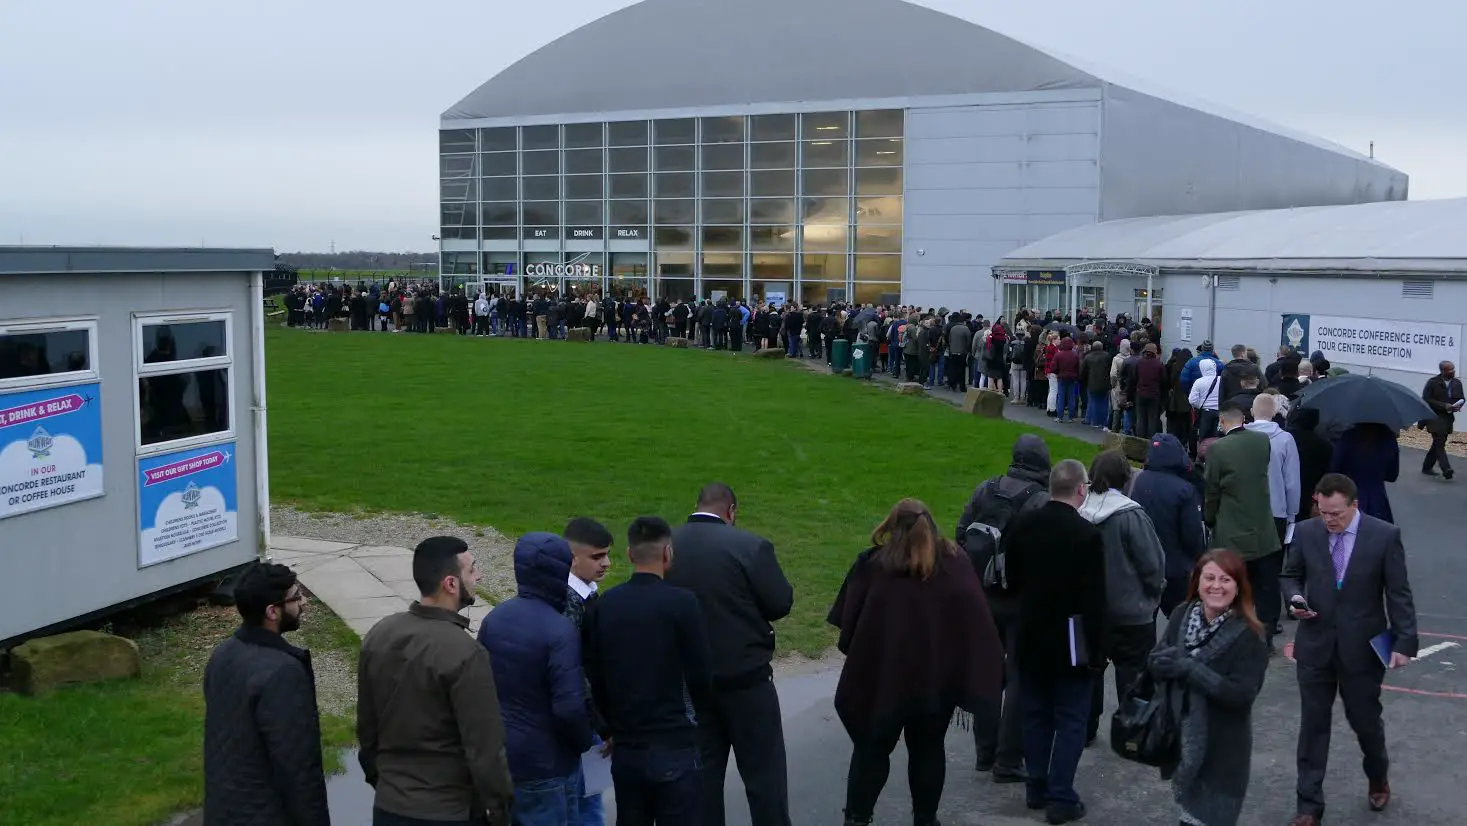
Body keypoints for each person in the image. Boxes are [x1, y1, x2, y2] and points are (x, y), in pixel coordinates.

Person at [828, 499, 1005, 826]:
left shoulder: (873, 566)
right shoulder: (956, 563)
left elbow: (849, 626)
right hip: (935, 685)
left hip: (884, 682)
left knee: (871, 751)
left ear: (891, 526)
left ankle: (856, 819)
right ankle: (925, 820)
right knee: (928, 749)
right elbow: (976, 624)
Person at [1282, 473, 1419, 826]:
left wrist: (1404, 642)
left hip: (1363, 648)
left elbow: (1398, 593)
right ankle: (1309, 805)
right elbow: (1290, 574)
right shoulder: (1307, 531)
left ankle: (1378, 775)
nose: (1329, 520)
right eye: (1324, 512)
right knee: (1313, 727)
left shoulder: (1384, 535)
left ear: (1354, 505)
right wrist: (1295, 598)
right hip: (1315, 646)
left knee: (1366, 723)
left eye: (1337, 514)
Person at [358, 537, 514, 826]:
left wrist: (383, 782)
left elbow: (367, 729)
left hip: (389, 807)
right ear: (451, 584)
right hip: (447, 811)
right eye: (471, 570)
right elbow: (485, 749)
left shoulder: (379, 634)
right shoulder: (466, 653)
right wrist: (500, 809)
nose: (478, 576)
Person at [667, 483, 795, 826]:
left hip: (689, 685)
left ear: (697, 506)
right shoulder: (750, 546)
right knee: (764, 778)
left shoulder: (667, 546)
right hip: (746, 682)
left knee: (703, 782)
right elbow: (780, 603)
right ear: (731, 511)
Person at [583, 517, 712, 825]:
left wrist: (608, 728)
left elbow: (593, 674)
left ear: (629, 554)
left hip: (626, 749)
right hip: (673, 745)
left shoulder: (604, 606)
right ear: (668, 552)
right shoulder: (682, 604)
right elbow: (701, 674)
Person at [1005, 459, 1108, 825]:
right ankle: (1061, 794)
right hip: (1072, 636)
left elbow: (1012, 578)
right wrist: (1098, 649)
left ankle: (1037, 784)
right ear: (1081, 489)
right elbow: (1095, 600)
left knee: (1035, 713)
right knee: (1070, 718)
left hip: (1031, 632)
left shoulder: (1023, 524)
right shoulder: (1087, 535)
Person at [478, 533, 596, 825]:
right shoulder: (559, 630)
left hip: (505, 757)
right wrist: (584, 742)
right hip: (548, 766)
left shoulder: (495, 618)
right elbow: (569, 708)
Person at [954, 434, 1052, 783]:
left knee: (987, 672)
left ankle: (985, 751)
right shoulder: (1042, 501)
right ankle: (1008, 759)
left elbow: (961, 532)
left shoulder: (987, 488)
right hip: (1022, 600)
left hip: (982, 593)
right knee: (1019, 678)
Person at [1148, 550, 1270, 826]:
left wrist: (1191, 669)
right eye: (1210, 578)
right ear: (1197, 582)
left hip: (1223, 754)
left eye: (1226, 579)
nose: (1216, 586)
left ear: (1238, 587)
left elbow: (1242, 696)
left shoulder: (1250, 635)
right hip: (1183, 744)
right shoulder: (1181, 614)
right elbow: (1156, 662)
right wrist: (1160, 663)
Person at [203, 562, 328, 826]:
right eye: (296, 596)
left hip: (225, 810)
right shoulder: (284, 672)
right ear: (272, 611)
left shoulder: (223, 654)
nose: (303, 602)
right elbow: (297, 769)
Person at [1078, 449, 1167, 745]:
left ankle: (1085, 728)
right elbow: (1152, 563)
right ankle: (1132, 730)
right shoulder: (1131, 515)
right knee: (1133, 674)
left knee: (1090, 670)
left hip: (1090, 610)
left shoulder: (1079, 512)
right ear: (1126, 478)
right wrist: (1154, 594)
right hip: (1131, 611)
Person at [1204, 401, 1281, 638]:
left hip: (1232, 531)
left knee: (1233, 587)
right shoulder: (1262, 442)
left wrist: (1209, 518)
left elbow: (1212, 489)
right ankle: (1265, 635)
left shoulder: (1217, 449)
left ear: (1222, 422)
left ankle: (1232, 635)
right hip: (1263, 530)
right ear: (1243, 420)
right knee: (1267, 587)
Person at [562, 517, 615, 826]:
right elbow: (575, 670)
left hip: (588, 717)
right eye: (597, 557)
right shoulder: (570, 603)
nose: (606, 563)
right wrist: (603, 724)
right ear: (572, 558)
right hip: (584, 720)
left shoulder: (587, 594)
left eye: (607, 554)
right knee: (585, 806)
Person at [1130, 433, 1207, 617]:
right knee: (1181, 622)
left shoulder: (1139, 481)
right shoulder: (1184, 490)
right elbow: (1192, 535)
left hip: (1146, 565)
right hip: (1176, 569)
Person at [1329, 423, 1399, 524]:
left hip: (1349, 494)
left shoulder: (1349, 436)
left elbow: (1335, 468)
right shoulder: (1389, 439)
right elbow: (1392, 475)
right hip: (1378, 499)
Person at [1421, 359, 1463, 479]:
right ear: (1442, 371)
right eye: (1450, 370)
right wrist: (1443, 405)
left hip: (1448, 417)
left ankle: (1427, 466)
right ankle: (1446, 469)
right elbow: (1426, 399)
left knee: (1439, 442)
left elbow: (1461, 398)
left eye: (1453, 369)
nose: (1453, 371)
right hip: (1434, 416)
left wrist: (1457, 405)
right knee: (1439, 441)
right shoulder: (1433, 382)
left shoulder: (1457, 383)